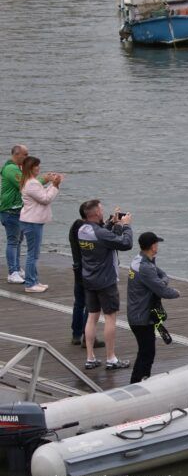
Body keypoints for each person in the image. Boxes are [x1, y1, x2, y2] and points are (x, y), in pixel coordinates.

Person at [78, 199, 134, 370]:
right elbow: (125, 243)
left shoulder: (82, 230)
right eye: (101, 210)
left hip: (89, 278)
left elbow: (102, 236)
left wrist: (111, 222)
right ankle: (111, 358)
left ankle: (90, 357)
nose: (103, 212)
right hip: (105, 281)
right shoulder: (101, 234)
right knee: (110, 317)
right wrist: (125, 226)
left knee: (92, 317)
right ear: (95, 213)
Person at [127, 232, 179, 383]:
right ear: (152, 246)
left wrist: (161, 281)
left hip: (137, 314)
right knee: (146, 353)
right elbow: (162, 291)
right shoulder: (146, 267)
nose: (158, 245)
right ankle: (136, 384)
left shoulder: (140, 260)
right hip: (141, 318)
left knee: (146, 352)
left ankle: (141, 381)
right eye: (157, 243)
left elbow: (162, 275)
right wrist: (176, 293)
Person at [18, 157, 61, 293]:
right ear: (31, 167)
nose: (39, 168)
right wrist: (54, 185)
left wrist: (51, 185)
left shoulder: (30, 182)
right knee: (33, 254)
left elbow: (42, 195)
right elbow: (46, 199)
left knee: (34, 253)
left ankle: (34, 280)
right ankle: (31, 283)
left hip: (31, 221)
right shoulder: (32, 183)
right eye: (37, 166)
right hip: (32, 222)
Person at [68, 203, 102, 348]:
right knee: (91, 304)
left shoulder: (75, 228)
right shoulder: (87, 231)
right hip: (90, 272)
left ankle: (76, 335)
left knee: (79, 303)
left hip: (78, 269)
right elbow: (102, 241)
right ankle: (88, 336)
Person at [1, 144, 29, 284]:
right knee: (13, 241)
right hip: (10, 211)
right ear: (17, 154)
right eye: (25, 154)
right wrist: (45, 180)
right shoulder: (11, 169)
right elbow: (24, 185)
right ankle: (12, 272)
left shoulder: (18, 168)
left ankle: (17, 268)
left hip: (18, 211)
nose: (27, 157)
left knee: (18, 241)